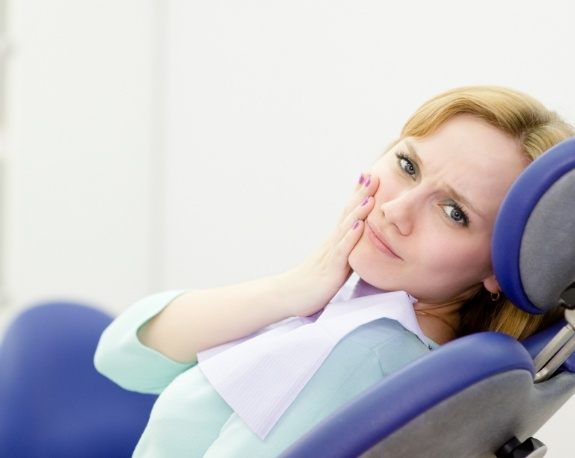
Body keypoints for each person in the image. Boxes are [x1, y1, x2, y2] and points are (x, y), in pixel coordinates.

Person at [94, 86, 574, 457]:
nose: (397, 210)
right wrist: (296, 287)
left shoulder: (365, 353)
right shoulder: (369, 312)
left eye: (454, 212)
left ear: (499, 267)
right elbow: (122, 356)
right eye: (408, 164)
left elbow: (120, 363)